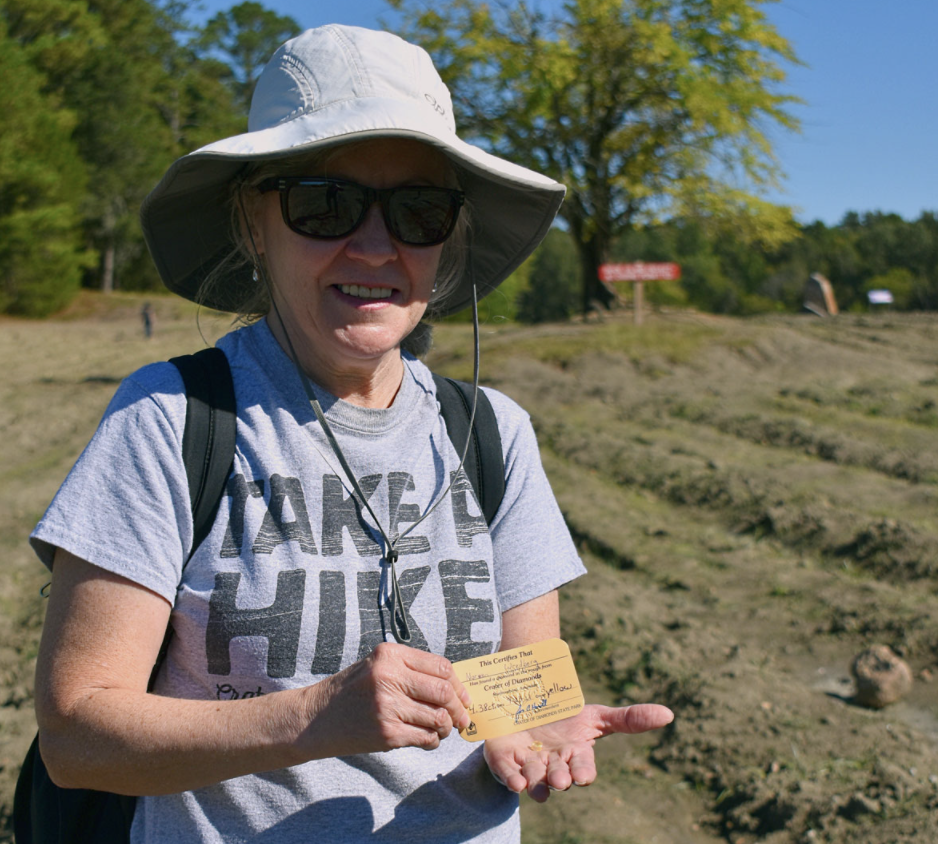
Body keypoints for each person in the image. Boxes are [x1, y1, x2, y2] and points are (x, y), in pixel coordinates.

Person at [30, 24, 673, 843]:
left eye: (419, 209)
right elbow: (77, 738)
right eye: (324, 203)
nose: (374, 246)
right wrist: (312, 717)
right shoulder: (170, 421)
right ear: (253, 220)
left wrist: (529, 731)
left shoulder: (493, 434)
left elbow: (520, 689)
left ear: (447, 240)